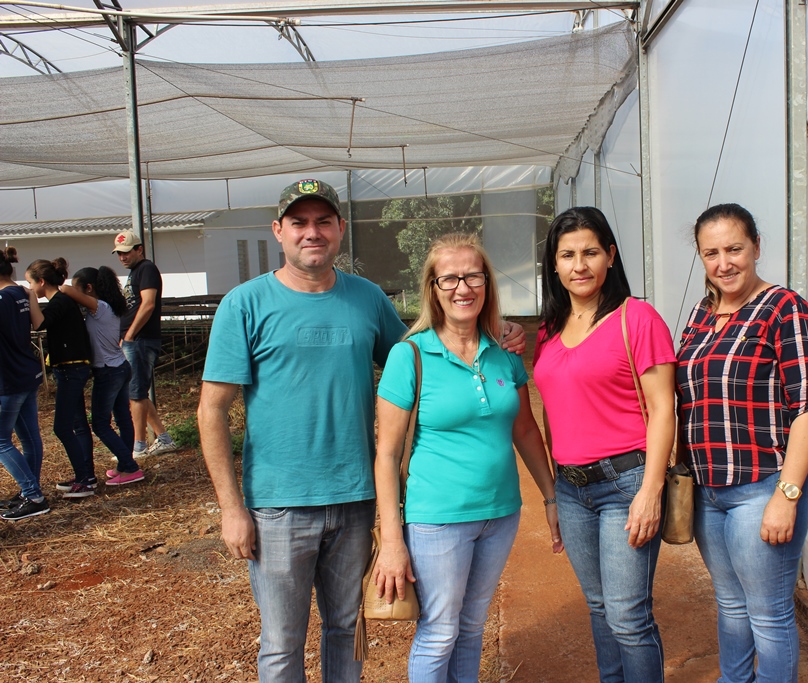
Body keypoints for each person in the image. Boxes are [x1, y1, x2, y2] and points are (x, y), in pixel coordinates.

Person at [197, 179, 526, 682]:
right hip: (279, 504)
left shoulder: (366, 299)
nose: (312, 232)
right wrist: (230, 507)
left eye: (323, 222)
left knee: (347, 628)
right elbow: (211, 411)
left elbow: (426, 347)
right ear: (278, 231)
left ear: (340, 229)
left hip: (355, 499)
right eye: (299, 223)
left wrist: (494, 330)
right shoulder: (245, 304)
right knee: (282, 642)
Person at [373, 233, 561, 683]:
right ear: (433, 288)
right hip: (437, 519)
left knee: (473, 625)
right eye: (450, 278)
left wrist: (551, 497)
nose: (463, 288)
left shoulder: (504, 353)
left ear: (487, 284)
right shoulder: (410, 355)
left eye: (473, 276)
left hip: (500, 514)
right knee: (439, 631)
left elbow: (524, 429)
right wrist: (393, 540)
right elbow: (387, 454)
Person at [675, 203, 808, 683]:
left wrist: (787, 495)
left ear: (757, 247)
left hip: (762, 486)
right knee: (730, 604)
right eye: (711, 253)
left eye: (734, 249)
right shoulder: (702, 314)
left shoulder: (786, 310)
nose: (724, 263)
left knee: (767, 611)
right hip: (709, 488)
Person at [532, 207, 676, 683]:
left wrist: (651, 491)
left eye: (590, 252)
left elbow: (663, 410)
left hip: (626, 484)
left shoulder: (637, 318)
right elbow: (554, 409)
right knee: (598, 607)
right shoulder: (550, 329)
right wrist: (555, 492)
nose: (580, 265)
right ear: (554, 264)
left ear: (610, 256)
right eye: (567, 255)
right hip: (572, 488)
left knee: (628, 616)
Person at [59, 267, 145, 486]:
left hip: (108, 370)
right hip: (119, 367)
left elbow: (67, 290)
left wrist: (52, 285)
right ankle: (125, 464)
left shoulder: (100, 307)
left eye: (80, 290)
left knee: (99, 424)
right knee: (123, 419)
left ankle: (131, 467)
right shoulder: (109, 306)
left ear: (89, 288)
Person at [25, 258, 97, 499]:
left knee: (62, 427)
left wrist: (30, 299)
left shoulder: (59, 302)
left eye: (30, 283)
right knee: (77, 424)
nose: (30, 288)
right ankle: (85, 476)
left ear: (41, 281)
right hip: (71, 368)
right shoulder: (62, 301)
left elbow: (39, 323)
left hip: (71, 369)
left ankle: (84, 480)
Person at [112, 230, 178, 458]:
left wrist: (130, 334)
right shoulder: (135, 272)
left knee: (136, 394)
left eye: (126, 252)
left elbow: (148, 304)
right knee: (137, 391)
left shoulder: (147, 269)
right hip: (133, 339)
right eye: (119, 253)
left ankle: (138, 445)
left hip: (141, 340)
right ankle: (164, 439)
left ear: (139, 249)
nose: (122, 257)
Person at [0, 247, 49, 521]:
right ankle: (30, 491)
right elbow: (38, 323)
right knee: (30, 438)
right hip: (26, 373)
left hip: (7, 378)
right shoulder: (21, 292)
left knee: (1, 440)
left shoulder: (2, 298)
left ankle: (32, 494)